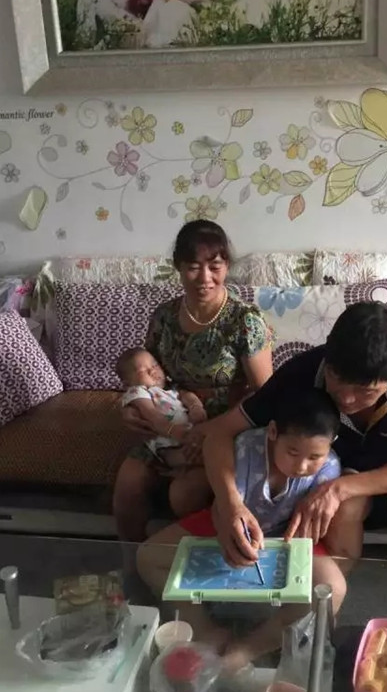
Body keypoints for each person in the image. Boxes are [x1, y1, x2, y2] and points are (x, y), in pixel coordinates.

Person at [203, 303, 387, 626]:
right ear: (327, 356)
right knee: (343, 505)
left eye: (365, 392)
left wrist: (339, 489)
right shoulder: (303, 371)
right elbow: (220, 434)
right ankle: (323, 609)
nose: (348, 400)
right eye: (337, 381)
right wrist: (231, 504)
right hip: (350, 472)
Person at [137, 388, 349, 668]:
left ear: (332, 444)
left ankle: (252, 646)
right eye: (292, 452)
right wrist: (231, 533)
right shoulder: (246, 449)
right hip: (228, 521)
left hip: (286, 534)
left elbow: (307, 531)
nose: (301, 466)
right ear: (272, 432)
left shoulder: (330, 468)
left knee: (333, 588)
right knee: (149, 556)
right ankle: (204, 629)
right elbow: (223, 509)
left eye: (314, 457)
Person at [113, 220, 274, 542]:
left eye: (215, 266)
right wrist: (129, 408)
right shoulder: (164, 317)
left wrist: (209, 432)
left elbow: (266, 395)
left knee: (183, 495)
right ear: (178, 267)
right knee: (128, 483)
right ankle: (133, 563)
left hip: (226, 428)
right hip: (172, 421)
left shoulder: (245, 321)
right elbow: (147, 374)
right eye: (193, 267)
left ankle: (190, 564)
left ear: (227, 266)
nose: (204, 278)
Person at [117, 347, 207, 471]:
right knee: (171, 454)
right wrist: (173, 431)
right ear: (128, 384)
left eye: (155, 365)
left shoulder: (171, 388)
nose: (153, 371)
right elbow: (152, 415)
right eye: (143, 370)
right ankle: (186, 460)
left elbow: (187, 395)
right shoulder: (137, 391)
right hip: (165, 439)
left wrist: (195, 407)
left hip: (189, 430)